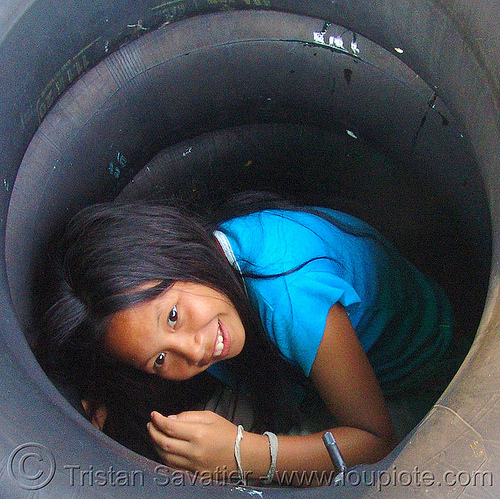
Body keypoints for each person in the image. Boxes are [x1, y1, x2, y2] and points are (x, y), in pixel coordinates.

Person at [35, 191, 466, 486]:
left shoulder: (288, 296)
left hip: (423, 378)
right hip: (309, 374)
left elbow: (377, 443)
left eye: (172, 316)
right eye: (160, 360)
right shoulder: (212, 277)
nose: (194, 350)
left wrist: (244, 454)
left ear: (172, 249)